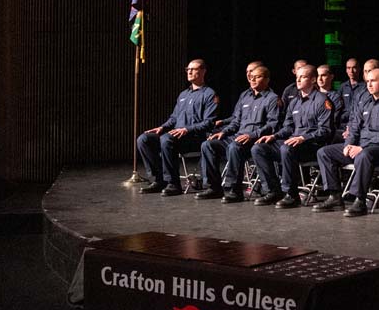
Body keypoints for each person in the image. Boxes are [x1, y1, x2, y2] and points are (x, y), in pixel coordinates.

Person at [312, 68, 379, 216]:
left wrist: (361, 147)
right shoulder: (365, 102)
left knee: (364, 155)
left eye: (373, 81)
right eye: (367, 81)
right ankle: (335, 195)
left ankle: (359, 201)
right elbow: (354, 126)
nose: (369, 84)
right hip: (360, 146)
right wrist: (348, 143)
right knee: (324, 152)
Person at [251, 64, 334, 208]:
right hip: (293, 143)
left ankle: (291, 194)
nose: (298, 80)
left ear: (313, 80)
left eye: (303, 77)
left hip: (312, 146)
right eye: (297, 77)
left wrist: (304, 138)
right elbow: (288, 127)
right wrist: (274, 136)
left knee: (286, 148)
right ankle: (272, 191)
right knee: (259, 148)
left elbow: (326, 131)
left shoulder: (322, 101)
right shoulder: (294, 102)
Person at [197, 65, 283, 202]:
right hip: (238, 135)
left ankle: (234, 190)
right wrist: (224, 132)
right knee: (208, 145)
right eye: (252, 77)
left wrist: (252, 135)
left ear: (267, 80)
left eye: (258, 77)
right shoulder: (245, 95)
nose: (253, 79)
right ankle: (213, 187)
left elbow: (273, 124)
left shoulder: (272, 98)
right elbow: (236, 120)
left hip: (256, 139)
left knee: (234, 147)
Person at [137, 60, 219, 195]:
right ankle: (158, 180)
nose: (189, 71)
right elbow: (174, 118)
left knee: (166, 139)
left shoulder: (210, 94)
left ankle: (173, 184)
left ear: (203, 71)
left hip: (195, 138)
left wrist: (187, 129)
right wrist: (162, 127)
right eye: (188, 69)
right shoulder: (183, 94)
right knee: (144, 139)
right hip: (175, 135)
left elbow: (209, 122)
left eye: (193, 69)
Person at [315, 64, 346, 141]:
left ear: (331, 77)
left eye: (323, 75)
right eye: (318, 75)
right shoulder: (312, 95)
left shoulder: (335, 97)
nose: (320, 79)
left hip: (326, 132)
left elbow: (333, 119)